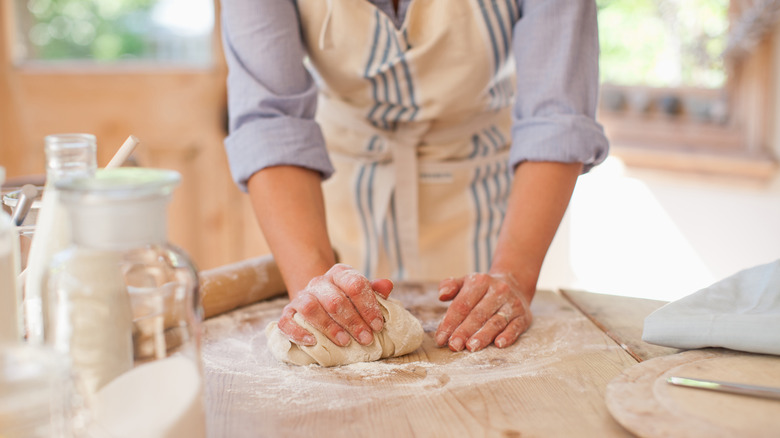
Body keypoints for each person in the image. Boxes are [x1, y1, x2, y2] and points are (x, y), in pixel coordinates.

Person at [221, 0, 608, 353]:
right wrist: (317, 291)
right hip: (338, 191)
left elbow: (556, 115)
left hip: (488, 197)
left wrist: (513, 275)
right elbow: (270, 120)